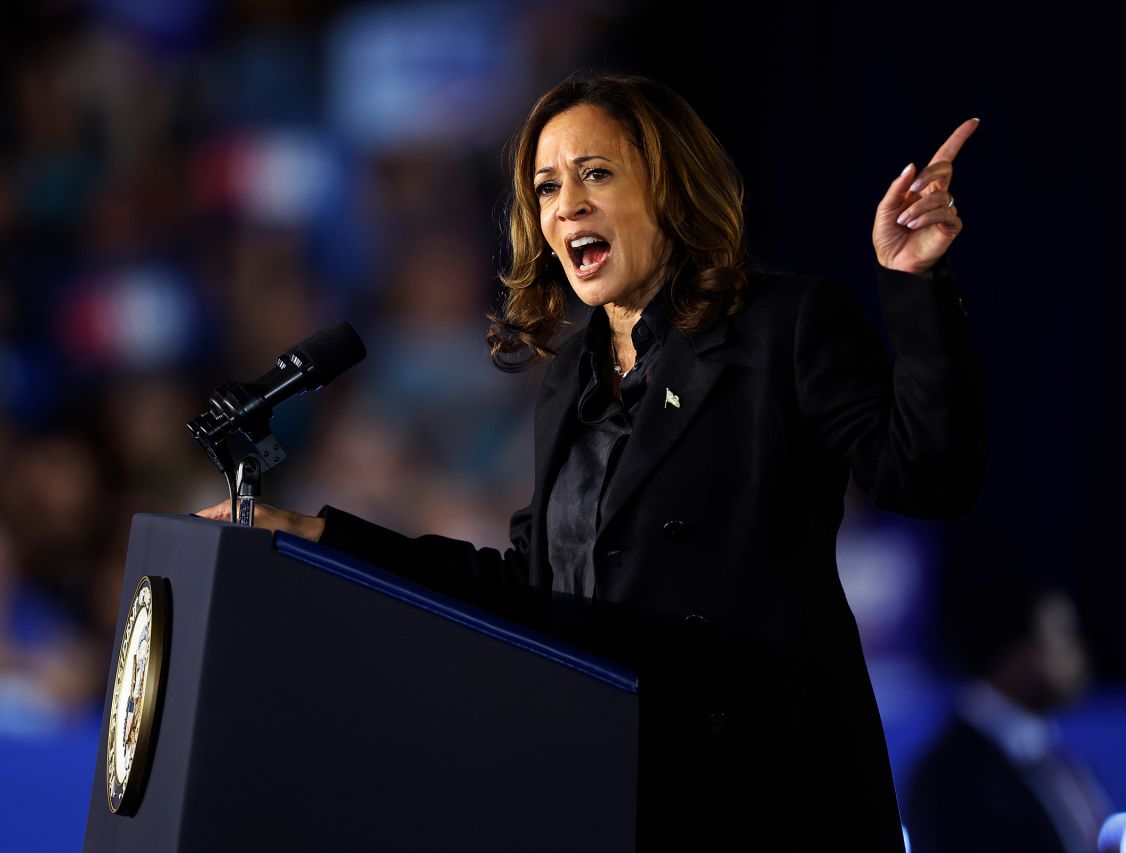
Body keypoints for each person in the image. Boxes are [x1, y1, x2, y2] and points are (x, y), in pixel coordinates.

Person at [198, 71, 988, 852]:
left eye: (596, 174)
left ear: (671, 188)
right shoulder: (571, 372)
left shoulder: (782, 326)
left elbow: (928, 475)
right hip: (620, 792)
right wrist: (322, 539)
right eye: (545, 188)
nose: (565, 204)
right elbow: (531, 586)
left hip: (769, 793)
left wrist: (913, 284)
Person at [905, 579, 1112, 853]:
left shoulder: (1051, 755)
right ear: (1012, 656)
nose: (1077, 653)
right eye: (1061, 635)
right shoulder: (948, 779)